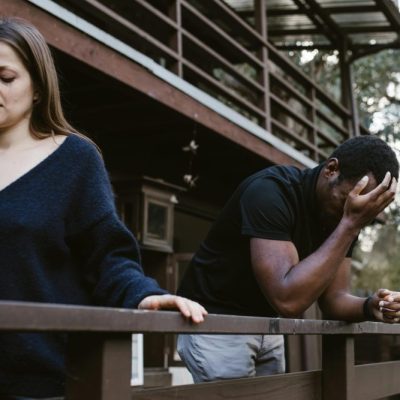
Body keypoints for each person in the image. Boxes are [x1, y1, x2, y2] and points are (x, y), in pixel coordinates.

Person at [0, 17, 207, 399]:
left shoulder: (74, 160)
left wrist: (143, 294)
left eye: (6, 77)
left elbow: (108, 256)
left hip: (45, 382)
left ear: (38, 88)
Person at [177, 134, 399, 383]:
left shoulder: (348, 217)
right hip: (217, 323)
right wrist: (350, 225)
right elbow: (288, 299)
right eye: (347, 204)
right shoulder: (270, 192)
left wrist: (371, 306)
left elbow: (333, 299)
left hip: (268, 326)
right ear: (331, 169)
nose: (350, 215)